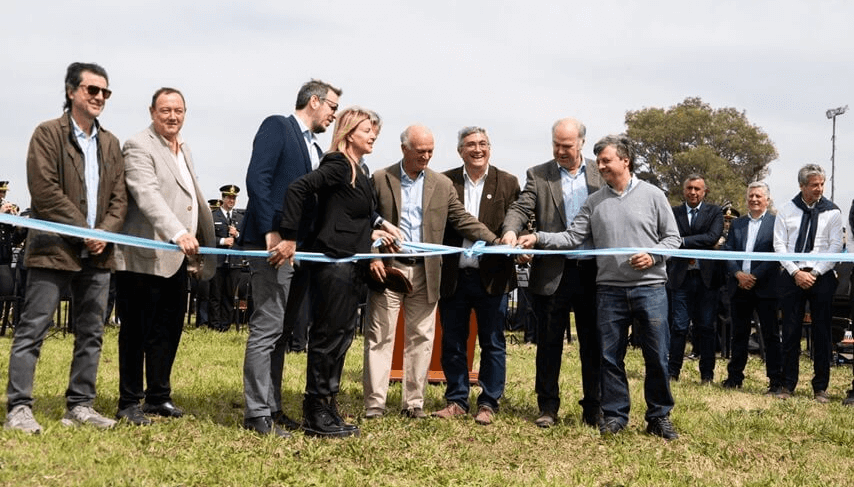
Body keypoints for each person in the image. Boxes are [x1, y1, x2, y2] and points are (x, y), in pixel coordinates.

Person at [518, 134, 681, 440]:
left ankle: (658, 416)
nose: (601, 167)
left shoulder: (654, 195)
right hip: (609, 290)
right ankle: (616, 415)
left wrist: (653, 254)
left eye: (606, 161)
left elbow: (673, 238)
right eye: (600, 161)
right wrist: (538, 238)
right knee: (609, 357)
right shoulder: (594, 202)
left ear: (625, 161)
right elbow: (570, 238)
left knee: (656, 355)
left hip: (650, 288)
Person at [4, 62, 126, 434]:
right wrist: (83, 231)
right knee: (33, 329)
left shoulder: (110, 143)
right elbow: (44, 192)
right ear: (72, 91)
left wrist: (103, 232)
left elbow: (120, 199)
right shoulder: (46, 134)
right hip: (53, 249)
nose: (100, 97)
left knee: (92, 331)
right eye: (93, 90)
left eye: (106, 92)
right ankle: (19, 408)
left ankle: (80, 405)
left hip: (98, 253)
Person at [270, 107, 392, 438]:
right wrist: (290, 236)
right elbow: (298, 189)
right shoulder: (338, 164)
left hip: (352, 266)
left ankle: (328, 404)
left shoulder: (360, 171)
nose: (373, 136)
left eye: (375, 131)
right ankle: (315, 411)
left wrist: (379, 226)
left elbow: (356, 213)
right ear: (349, 132)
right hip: (334, 267)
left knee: (341, 338)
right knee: (327, 338)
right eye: (367, 130)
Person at [363, 125, 499, 419]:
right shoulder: (380, 178)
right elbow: (366, 220)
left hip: (426, 271)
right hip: (389, 270)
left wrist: (494, 240)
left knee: (421, 338)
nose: (426, 156)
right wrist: (373, 255)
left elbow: (462, 219)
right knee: (381, 337)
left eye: (430, 151)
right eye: (420, 151)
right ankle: (375, 405)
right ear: (404, 149)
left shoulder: (441, 184)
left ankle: (413, 404)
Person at [239, 79, 341, 437]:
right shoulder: (277, 127)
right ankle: (255, 413)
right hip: (273, 246)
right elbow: (258, 178)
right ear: (314, 101)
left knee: (282, 331)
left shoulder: (314, 147)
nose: (333, 115)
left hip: (300, 250)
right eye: (332, 107)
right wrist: (271, 231)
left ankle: (273, 406)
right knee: (267, 327)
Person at [113, 87, 216, 426]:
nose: (173, 116)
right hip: (144, 257)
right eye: (165, 110)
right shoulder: (138, 145)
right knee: (136, 331)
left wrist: (199, 235)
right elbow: (148, 195)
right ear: (151, 111)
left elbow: (191, 198)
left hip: (176, 260)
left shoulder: (183, 148)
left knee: (169, 329)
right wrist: (178, 232)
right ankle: (129, 401)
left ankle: (158, 396)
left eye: (179, 110)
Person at [500, 118, 603, 428]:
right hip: (552, 272)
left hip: (593, 271)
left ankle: (594, 407)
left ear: (582, 143)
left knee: (594, 343)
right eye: (556, 144)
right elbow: (521, 208)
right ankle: (547, 406)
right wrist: (509, 231)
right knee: (548, 343)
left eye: (567, 145)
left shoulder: (602, 174)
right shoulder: (538, 174)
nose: (560, 150)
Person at [433, 127, 519, 426]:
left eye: (483, 143)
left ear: (490, 148)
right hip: (454, 275)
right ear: (460, 151)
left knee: (492, 342)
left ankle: (488, 402)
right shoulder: (443, 181)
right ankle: (456, 399)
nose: (477, 149)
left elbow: (516, 221)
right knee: (453, 341)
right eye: (470, 144)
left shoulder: (507, 182)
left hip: (493, 278)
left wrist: (516, 238)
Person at [773, 164, 842, 402]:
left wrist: (816, 271)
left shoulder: (833, 212)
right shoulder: (786, 210)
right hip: (792, 276)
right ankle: (787, 385)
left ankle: (820, 387)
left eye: (821, 184)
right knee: (790, 331)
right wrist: (795, 272)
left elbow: (835, 246)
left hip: (821, 276)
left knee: (822, 332)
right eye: (814, 185)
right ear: (802, 186)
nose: (819, 189)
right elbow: (779, 245)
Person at [720, 182, 782, 393]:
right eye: (751, 196)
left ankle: (776, 381)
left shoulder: (776, 223)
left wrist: (754, 276)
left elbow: (776, 254)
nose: (754, 199)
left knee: (771, 335)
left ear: (767, 199)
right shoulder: (737, 224)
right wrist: (738, 274)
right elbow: (727, 251)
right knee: (739, 334)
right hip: (739, 287)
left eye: (758, 196)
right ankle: (734, 377)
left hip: (765, 287)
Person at [667, 175, 723, 383]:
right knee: (679, 327)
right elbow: (668, 239)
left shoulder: (715, 212)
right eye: (689, 188)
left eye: (697, 189)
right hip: (680, 278)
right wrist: (687, 242)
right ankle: (673, 372)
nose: (693, 192)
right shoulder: (673, 213)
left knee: (706, 327)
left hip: (707, 279)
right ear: (684, 190)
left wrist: (682, 240)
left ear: (704, 191)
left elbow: (713, 237)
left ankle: (707, 375)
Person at [210, 184, 243, 331]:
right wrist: (223, 241)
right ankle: (214, 325)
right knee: (216, 295)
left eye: (234, 198)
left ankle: (225, 326)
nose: (231, 200)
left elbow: (245, 241)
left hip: (234, 263)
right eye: (229, 197)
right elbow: (208, 239)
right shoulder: (213, 216)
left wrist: (237, 235)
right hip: (218, 262)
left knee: (229, 296)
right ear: (222, 198)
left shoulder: (240, 219)